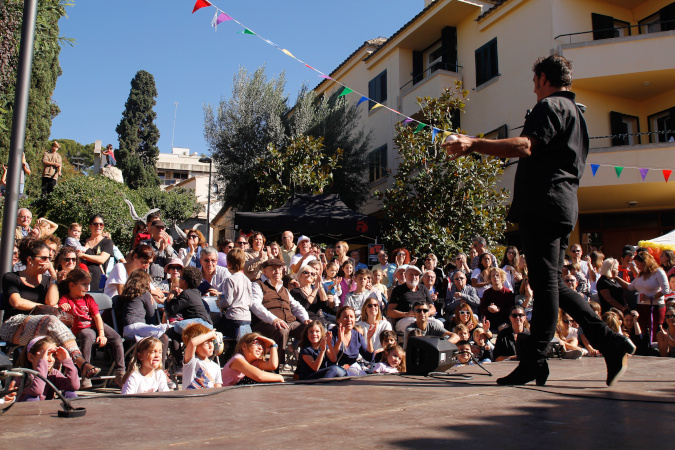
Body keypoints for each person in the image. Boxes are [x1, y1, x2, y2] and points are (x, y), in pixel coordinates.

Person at [443, 54, 636, 387]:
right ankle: (540, 359)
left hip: (543, 206)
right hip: (561, 206)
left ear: (544, 78)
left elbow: (526, 146)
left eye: (535, 82)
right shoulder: (577, 114)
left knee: (547, 287)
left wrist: (474, 143)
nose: (534, 89)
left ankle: (604, 343)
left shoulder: (550, 107)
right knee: (553, 285)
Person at [0, 238, 100, 379]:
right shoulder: (12, 277)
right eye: (44, 258)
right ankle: (79, 361)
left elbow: (52, 303)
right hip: (14, 325)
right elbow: (17, 302)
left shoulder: (47, 281)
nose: (48, 262)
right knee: (51, 321)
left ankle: (53, 381)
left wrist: (53, 278)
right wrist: (44, 307)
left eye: (49, 258)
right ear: (30, 259)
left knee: (52, 340)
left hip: (41, 328)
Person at [58, 269, 125, 387]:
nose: (87, 287)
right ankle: (86, 372)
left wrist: (102, 334)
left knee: (116, 338)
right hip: (81, 329)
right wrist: (62, 307)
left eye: (88, 284)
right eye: (84, 284)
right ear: (72, 286)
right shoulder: (66, 299)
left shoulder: (88, 298)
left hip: (95, 324)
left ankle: (120, 372)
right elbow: (59, 313)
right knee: (88, 336)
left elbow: (97, 317)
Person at [250, 258, 310, 368]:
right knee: (282, 331)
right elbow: (255, 305)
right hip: (266, 323)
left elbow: (296, 306)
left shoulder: (284, 289)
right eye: (273, 269)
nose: (277, 272)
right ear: (265, 271)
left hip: (290, 322)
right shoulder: (257, 285)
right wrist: (273, 319)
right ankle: (277, 366)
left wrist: (305, 319)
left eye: (280, 269)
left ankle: (307, 364)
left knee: (311, 330)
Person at [120, 270, 171, 363]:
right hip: (138, 326)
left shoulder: (126, 294)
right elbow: (151, 315)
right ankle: (161, 368)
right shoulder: (144, 293)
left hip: (127, 329)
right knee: (164, 336)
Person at [618, 252, 669, 342]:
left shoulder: (658, 272)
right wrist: (616, 278)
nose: (636, 266)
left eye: (638, 264)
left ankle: (656, 350)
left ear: (645, 262)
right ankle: (644, 349)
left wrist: (651, 298)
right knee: (643, 330)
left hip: (655, 307)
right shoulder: (641, 274)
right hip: (641, 306)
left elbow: (665, 289)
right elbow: (630, 287)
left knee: (655, 330)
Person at [15, 336, 79, 402]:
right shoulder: (24, 375)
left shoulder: (53, 373)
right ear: (31, 357)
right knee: (32, 398)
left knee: (71, 394)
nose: (50, 359)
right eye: (46, 355)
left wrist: (67, 360)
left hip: (46, 409)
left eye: (53, 355)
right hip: (27, 410)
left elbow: (74, 386)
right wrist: (42, 362)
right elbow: (37, 390)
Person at [388, 265, 442, 332]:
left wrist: (425, 313)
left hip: (424, 318)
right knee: (416, 327)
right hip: (406, 319)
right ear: (405, 275)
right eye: (411, 274)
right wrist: (406, 314)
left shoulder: (423, 289)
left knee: (439, 324)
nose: (413, 277)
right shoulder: (398, 290)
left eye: (416, 275)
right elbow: (389, 311)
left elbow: (433, 308)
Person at [164, 266, 213, 334]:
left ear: (184, 282)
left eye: (180, 277)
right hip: (208, 324)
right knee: (174, 333)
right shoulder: (196, 292)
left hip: (200, 323)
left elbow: (172, 309)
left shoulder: (186, 293)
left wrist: (170, 299)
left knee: (178, 326)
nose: (178, 279)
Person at [219, 247, 254, 340]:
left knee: (215, 328)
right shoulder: (247, 280)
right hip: (246, 318)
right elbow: (250, 301)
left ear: (229, 264)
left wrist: (219, 302)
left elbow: (228, 301)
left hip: (233, 318)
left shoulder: (230, 280)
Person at [77, 215, 114, 292]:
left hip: (98, 282)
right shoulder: (81, 243)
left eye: (101, 224)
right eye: (95, 224)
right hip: (81, 280)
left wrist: (83, 255)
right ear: (90, 226)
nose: (98, 226)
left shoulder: (107, 242)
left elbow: (101, 259)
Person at [181, 323, 223, 390]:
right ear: (196, 347)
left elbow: (218, 389)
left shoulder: (216, 367)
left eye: (211, 341)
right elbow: (192, 343)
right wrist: (211, 334)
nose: (211, 346)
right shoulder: (191, 361)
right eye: (206, 343)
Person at [142, 219, 177, 285]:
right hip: (148, 280)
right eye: (157, 228)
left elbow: (172, 262)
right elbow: (145, 259)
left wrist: (166, 247)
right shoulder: (145, 244)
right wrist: (160, 250)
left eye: (162, 228)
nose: (160, 230)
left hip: (164, 281)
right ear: (151, 229)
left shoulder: (168, 246)